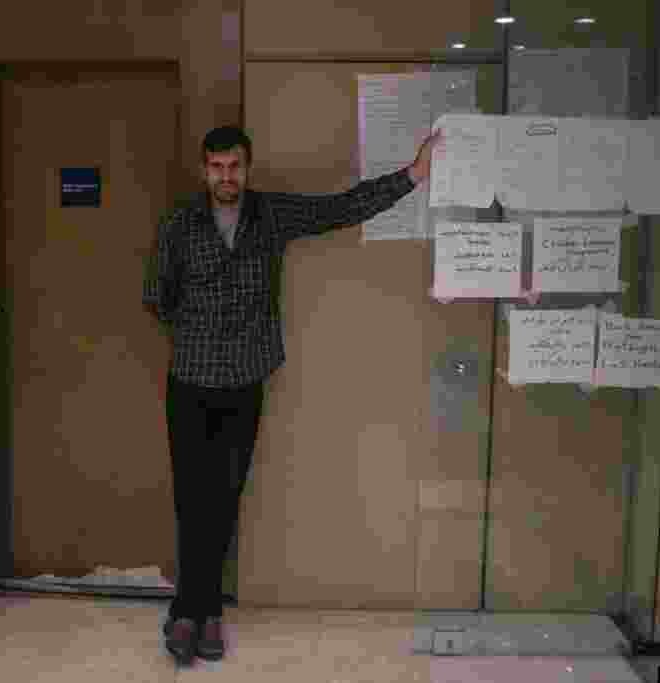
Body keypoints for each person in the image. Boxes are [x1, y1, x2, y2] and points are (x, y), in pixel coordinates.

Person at [143, 124, 440, 665]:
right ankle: (192, 613)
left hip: (246, 380)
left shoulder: (271, 215)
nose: (225, 176)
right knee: (194, 499)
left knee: (225, 495)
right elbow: (156, 295)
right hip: (190, 381)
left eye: (234, 166)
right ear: (204, 169)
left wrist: (413, 176)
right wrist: (198, 331)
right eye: (216, 167)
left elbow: (340, 209)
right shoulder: (179, 225)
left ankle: (203, 612)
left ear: (247, 167)